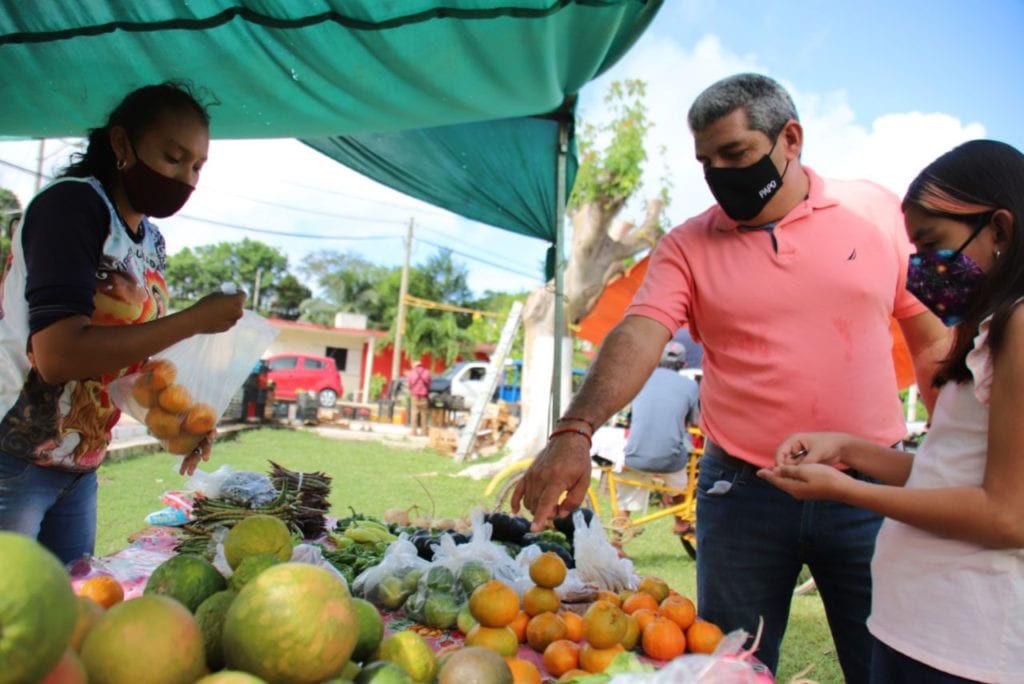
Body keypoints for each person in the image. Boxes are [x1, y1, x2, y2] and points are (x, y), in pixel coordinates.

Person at [511, 73, 951, 680]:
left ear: (789, 138)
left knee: (888, 663)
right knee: (731, 666)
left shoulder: (874, 212)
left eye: (736, 154)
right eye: (706, 161)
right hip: (742, 492)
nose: (721, 174)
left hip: (872, 489)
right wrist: (576, 429)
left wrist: (954, 460)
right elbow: (641, 331)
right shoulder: (688, 245)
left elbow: (930, 338)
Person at [760, 140, 1024, 683]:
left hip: (965, 646)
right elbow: (950, 474)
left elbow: (1007, 515)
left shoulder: (1020, 328)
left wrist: (846, 490)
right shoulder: (989, 331)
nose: (923, 267)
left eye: (933, 244)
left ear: (999, 229)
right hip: (913, 628)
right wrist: (849, 449)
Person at [0, 82, 246, 564]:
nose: (186, 179)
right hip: (13, 459)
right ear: (120, 144)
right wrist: (194, 320)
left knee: (65, 621)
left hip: (81, 465)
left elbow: (128, 360)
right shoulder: (71, 207)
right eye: (173, 158)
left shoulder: (149, 240)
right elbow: (57, 356)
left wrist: (182, 418)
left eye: (197, 166)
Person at [613, 341, 700, 545]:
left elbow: (627, 415)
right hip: (670, 458)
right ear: (684, 364)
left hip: (635, 455)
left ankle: (617, 540)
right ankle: (680, 521)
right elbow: (696, 421)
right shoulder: (690, 386)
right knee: (679, 482)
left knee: (628, 490)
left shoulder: (639, 380)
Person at [407, 360, 431, 436]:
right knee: (424, 414)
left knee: (414, 414)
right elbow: (429, 384)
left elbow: (409, 385)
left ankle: (413, 432)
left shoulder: (412, 373)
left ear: (415, 366)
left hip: (415, 396)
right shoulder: (427, 372)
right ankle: (424, 432)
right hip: (424, 396)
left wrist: (412, 390)